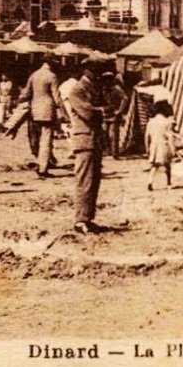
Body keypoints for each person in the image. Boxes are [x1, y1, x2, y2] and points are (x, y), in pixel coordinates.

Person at [67, 56, 107, 234]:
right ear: (87, 71)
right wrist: (103, 110)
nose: (98, 74)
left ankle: (88, 218)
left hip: (94, 139)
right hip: (84, 138)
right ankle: (80, 219)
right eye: (95, 70)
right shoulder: (77, 90)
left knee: (94, 181)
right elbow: (88, 112)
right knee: (85, 181)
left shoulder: (91, 87)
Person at [18, 58, 63, 179]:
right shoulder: (52, 76)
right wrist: (63, 112)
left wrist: (20, 101)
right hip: (48, 111)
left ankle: (41, 160)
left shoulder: (34, 74)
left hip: (34, 110)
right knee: (46, 140)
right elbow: (56, 96)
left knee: (35, 139)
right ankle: (43, 168)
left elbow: (26, 93)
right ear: (51, 63)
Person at [145, 100, 176, 190]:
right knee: (167, 165)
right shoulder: (167, 122)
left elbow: (147, 137)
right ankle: (169, 183)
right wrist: (173, 148)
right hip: (164, 145)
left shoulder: (150, 122)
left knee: (154, 165)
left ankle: (150, 181)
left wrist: (147, 148)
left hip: (153, 146)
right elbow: (170, 136)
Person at [102, 71, 129, 158]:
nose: (107, 81)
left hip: (114, 115)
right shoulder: (103, 89)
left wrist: (120, 110)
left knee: (113, 135)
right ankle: (107, 150)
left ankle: (115, 153)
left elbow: (125, 99)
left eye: (108, 79)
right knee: (104, 134)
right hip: (105, 114)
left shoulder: (117, 89)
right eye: (105, 80)